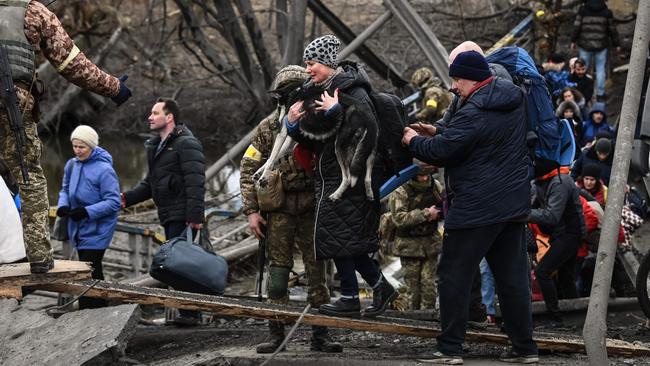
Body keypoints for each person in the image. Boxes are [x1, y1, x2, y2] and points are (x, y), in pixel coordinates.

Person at [402, 49, 538, 364]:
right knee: (512, 279)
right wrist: (439, 130)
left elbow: (445, 152)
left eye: (457, 80)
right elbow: (475, 139)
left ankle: (450, 348)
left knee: (453, 275)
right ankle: (525, 348)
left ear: (472, 80)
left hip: (476, 207)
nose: (453, 87)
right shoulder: (512, 99)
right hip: (512, 206)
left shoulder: (475, 109)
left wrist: (413, 140)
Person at [0, 0, 131, 274]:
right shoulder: (34, 11)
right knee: (29, 177)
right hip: (11, 109)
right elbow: (73, 64)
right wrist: (114, 88)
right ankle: (38, 257)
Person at [285, 35, 397, 318]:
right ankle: (379, 287)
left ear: (327, 62)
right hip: (332, 176)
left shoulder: (352, 90)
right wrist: (293, 124)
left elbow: (366, 131)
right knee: (343, 239)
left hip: (354, 176)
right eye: (307, 64)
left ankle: (350, 296)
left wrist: (337, 111)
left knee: (341, 238)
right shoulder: (318, 90)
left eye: (312, 64)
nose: (308, 70)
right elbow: (317, 139)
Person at [240, 65, 342, 353]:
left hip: (313, 206)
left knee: (318, 273)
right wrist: (251, 211)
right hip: (279, 209)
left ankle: (320, 335)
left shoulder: (320, 122)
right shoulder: (268, 128)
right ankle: (277, 334)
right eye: (287, 97)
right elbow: (248, 168)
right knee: (278, 274)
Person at [122, 98, 205, 325]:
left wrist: (195, 217)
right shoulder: (157, 146)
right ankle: (187, 313)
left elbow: (196, 182)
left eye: (155, 113)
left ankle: (190, 314)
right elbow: (151, 184)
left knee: (182, 265)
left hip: (183, 215)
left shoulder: (186, 143)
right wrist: (125, 199)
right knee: (177, 265)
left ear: (169, 117)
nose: (150, 117)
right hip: (169, 214)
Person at [56, 125, 120, 309]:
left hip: (99, 227)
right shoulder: (72, 164)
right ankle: (99, 308)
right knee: (92, 269)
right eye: (75, 146)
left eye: (81, 147)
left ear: (91, 146)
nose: (77, 151)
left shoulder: (104, 170)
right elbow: (65, 189)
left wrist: (87, 211)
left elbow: (114, 202)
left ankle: (88, 309)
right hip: (78, 225)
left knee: (87, 268)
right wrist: (63, 205)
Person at [529, 158, 585, 326]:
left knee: (542, 272)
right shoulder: (543, 181)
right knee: (566, 277)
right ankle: (577, 316)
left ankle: (556, 317)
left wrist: (523, 213)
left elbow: (552, 216)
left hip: (570, 234)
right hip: (563, 234)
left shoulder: (559, 182)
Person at [388, 162, 443, 311]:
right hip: (409, 245)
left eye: (427, 174)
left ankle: (427, 318)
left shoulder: (435, 186)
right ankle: (412, 320)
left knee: (429, 284)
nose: (424, 178)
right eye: (420, 175)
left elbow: (443, 206)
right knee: (412, 287)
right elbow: (398, 218)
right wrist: (425, 214)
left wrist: (439, 213)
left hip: (430, 243)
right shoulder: (402, 189)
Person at [570, 0, 620, 101]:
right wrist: (616, 44)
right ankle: (600, 93)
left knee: (582, 68)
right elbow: (612, 29)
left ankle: (581, 91)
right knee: (601, 69)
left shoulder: (583, 10)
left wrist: (573, 40)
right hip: (601, 45)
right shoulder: (606, 12)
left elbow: (577, 26)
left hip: (585, 44)